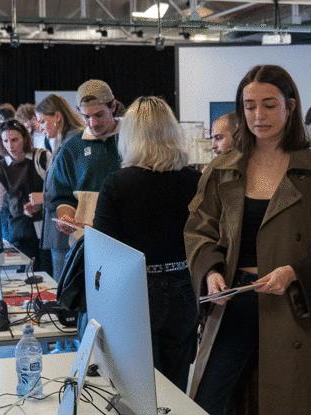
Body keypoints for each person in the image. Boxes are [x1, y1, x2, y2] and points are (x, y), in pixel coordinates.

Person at [184, 64, 311, 415]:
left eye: (269, 104)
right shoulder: (225, 167)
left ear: (290, 106)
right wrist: (210, 271)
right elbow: (199, 228)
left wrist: (293, 273)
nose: (258, 115)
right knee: (209, 406)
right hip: (234, 304)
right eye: (249, 106)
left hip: (293, 310)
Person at [92, 96, 199, 392]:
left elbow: (103, 252)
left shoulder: (117, 184)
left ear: (130, 136)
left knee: (138, 392)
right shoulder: (195, 181)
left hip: (135, 292)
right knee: (177, 390)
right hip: (183, 288)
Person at [48, 79, 122, 266]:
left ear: (113, 106)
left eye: (99, 115)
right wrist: (65, 216)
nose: (93, 123)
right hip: (84, 245)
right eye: (86, 117)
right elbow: (63, 195)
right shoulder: (71, 148)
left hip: (126, 244)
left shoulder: (133, 140)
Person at [35, 94, 86, 280]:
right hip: (60, 223)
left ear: (57, 116)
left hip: (66, 223)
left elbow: (70, 185)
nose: (40, 128)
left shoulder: (73, 142)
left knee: (64, 287)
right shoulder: (65, 140)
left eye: (43, 121)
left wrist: (44, 198)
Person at [0, 119, 52, 274]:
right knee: (25, 276)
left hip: (45, 225)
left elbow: (57, 191)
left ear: (24, 138)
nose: (10, 146)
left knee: (46, 272)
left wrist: (42, 200)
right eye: (5, 141)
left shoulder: (42, 157)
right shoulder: (1, 167)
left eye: (14, 140)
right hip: (20, 229)